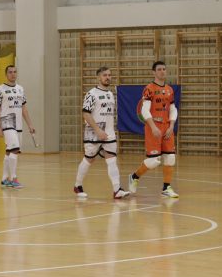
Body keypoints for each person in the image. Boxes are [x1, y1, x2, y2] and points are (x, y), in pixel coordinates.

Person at [74, 67, 130, 200]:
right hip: (94, 133)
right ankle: (78, 186)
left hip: (109, 134)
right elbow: (86, 113)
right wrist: (98, 130)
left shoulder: (111, 94)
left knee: (111, 160)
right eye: (105, 75)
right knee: (89, 159)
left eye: (109, 75)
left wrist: (108, 131)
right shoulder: (91, 94)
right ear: (98, 77)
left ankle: (117, 190)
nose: (108, 77)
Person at [128, 61, 179, 198]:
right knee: (153, 161)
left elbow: (173, 109)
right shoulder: (149, 89)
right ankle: (134, 176)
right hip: (153, 127)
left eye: (164, 69)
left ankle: (166, 188)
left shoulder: (169, 89)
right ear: (154, 72)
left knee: (170, 158)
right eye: (159, 69)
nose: (162, 71)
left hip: (167, 127)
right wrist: (153, 127)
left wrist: (172, 125)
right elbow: (144, 110)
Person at [0, 65, 35, 189]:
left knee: (9, 151)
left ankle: (4, 179)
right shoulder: (0, 89)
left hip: (18, 124)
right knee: (15, 149)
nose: (13, 74)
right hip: (7, 122)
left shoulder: (20, 89)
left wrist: (30, 124)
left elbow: (24, 109)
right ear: (6, 74)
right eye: (10, 72)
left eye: (15, 72)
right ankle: (13, 178)